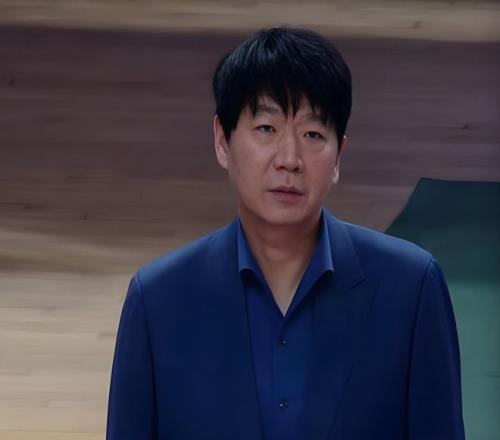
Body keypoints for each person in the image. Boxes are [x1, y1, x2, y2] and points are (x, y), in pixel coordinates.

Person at [106, 27, 465, 439]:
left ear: (338, 156)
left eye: (313, 134)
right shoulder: (158, 301)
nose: (289, 159)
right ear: (222, 141)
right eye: (266, 128)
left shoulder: (411, 289)